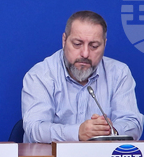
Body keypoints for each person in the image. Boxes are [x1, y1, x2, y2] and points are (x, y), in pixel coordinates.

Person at [22, 11, 144, 143]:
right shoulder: (40, 75)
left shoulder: (119, 73)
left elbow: (133, 123)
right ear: (64, 40)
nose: (85, 54)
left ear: (104, 44)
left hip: (101, 155)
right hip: (51, 156)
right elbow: (34, 129)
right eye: (77, 44)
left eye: (94, 46)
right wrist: (77, 132)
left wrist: (109, 130)